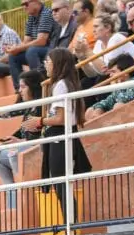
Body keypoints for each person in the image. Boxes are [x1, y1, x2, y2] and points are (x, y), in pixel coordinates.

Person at [28, 48, 92, 216]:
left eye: (47, 61)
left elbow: (60, 119)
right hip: (62, 136)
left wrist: (39, 121)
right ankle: (70, 226)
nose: (45, 65)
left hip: (60, 136)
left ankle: (70, 227)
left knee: (61, 185)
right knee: (62, 186)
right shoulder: (65, 84)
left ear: (57, 64)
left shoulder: (61, 85)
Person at [0, 71, 47, 187]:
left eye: (23, 87)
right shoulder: (29, 109)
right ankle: (13, 202)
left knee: (14, 152)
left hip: (38, 150)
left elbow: (44, 135)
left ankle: (25, 192)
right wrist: (2, 145)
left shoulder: (43, 107)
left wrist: (20, 142)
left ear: (33, 87)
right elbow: (20, 132)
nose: (20, 91)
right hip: (24, 148)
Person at [9, 0, 57, 86]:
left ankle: (39, 83)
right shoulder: (31, 17)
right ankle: (19, 88)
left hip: (51, 48)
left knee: (32, 51)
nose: (24, 7)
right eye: (22, 5)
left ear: (37, 1)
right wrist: (15, 49)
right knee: (13, 56)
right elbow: (26, 41)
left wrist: (18, 48)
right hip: (38, 49)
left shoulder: (46, 14)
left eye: (26, 4)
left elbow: (42, 41)